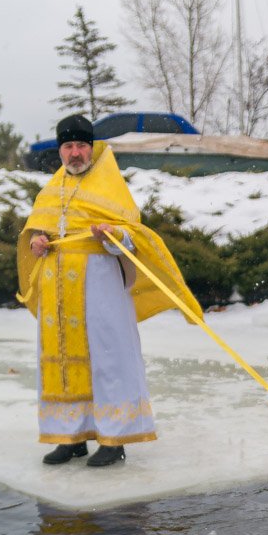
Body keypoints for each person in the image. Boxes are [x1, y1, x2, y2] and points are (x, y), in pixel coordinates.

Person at [18, 115, 202, 467]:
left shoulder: (110, 186)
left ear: (91, 148)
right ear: (60, 150)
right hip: (58, 293)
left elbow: (134, 237)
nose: (75, 153)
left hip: (100, 288)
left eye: (81, 146)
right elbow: (38, 232)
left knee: (108, 358)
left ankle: (115, 438)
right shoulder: (51, 190)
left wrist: (114, 236)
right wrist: (38, 242)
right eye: (68, 146)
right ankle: (70, 436)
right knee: (62, 362)